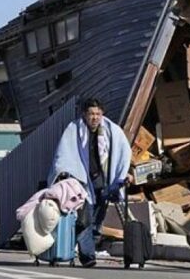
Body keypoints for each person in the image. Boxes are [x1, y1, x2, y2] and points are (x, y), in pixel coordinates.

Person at [48, 98, 131, 267]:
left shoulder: (111, 130)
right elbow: (63, 153)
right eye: (91, 114)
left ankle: (81, 249)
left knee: (97, 220)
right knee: (85, 218)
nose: (95, 117)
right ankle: (88, 256)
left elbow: (124, 151)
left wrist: (124, 174)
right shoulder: (74, 129)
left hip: (104, 180)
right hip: (81, 181)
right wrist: (64, 172)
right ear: (84, 114)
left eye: (98, 114)